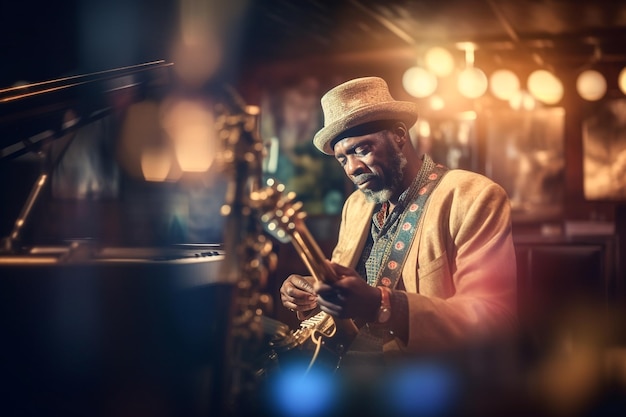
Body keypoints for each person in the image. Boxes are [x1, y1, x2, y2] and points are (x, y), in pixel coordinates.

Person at [279, 76, 517, 375]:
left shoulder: (473, 196)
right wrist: (310, 295)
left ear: (399, 135)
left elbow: (495, 316)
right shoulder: (356, 205)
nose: (353, 168)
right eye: (343, 159)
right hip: (353, 369)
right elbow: (343, 294)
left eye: (362, 149)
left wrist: (383, 304)